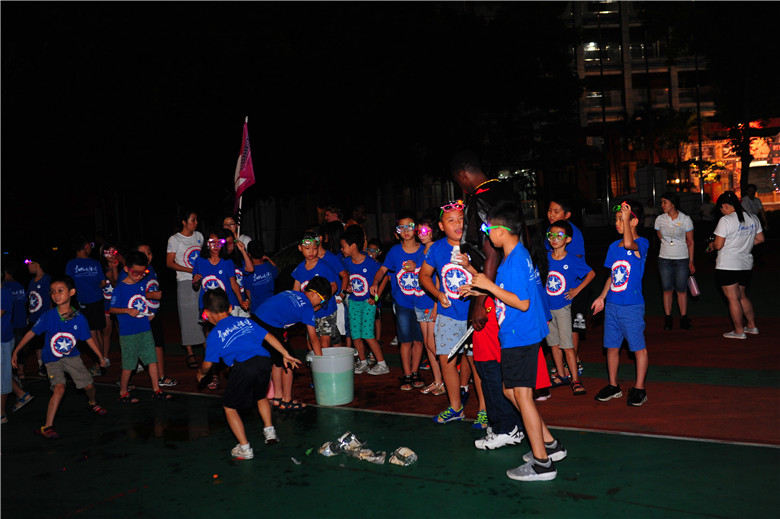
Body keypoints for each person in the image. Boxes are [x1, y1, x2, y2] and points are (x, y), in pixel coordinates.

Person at [459, 201, 565, 481]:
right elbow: (508, 292)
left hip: (520, 335)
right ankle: (550, 445)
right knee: (511, 392)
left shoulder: (515, 261)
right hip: (519, 334)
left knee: (521, 396)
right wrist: (479, 289)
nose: (486, 234)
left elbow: (522, 302)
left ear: (501, 231)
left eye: (487, 229)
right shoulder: (515, 255)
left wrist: (488, 286)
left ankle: (542, 464)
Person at [197, 288, 301, 460]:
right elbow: (268, 336)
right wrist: (285, 353)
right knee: (261, 396)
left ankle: (245, 448)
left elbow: (208, 363)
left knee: (229, 407)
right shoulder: (245, 321)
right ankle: (270, 432)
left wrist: (201, 373)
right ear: (230, 308)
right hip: (263, 361)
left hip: (243, 366)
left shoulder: (214, 335)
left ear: (207, 313)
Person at [11, 276, 108, 438]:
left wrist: (100, 357)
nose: (56, 295)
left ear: (72, 292)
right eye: (53, 292)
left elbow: (89, 339)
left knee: (89, 387)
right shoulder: (47, 316)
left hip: (72, 358)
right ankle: (47, 426)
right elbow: (31, 333)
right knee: (59, 388)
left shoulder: (79, 318)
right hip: (52, 360)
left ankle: (93, 402)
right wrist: (16, 351)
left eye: (60, 291)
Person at [418, 201, 474, 423]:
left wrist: (469, 265)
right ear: (441, 226)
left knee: (477, 363)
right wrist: (437, 294)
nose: (457, 224)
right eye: (451, 220)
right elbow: (424, 276)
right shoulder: (437, 248)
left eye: (461, 219)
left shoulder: (475, 243)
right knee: (446, 359)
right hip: (448, 313)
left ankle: (484, 410)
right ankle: (455, 407)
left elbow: (489, 275)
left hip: (475, 314)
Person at [591, 200, 650, 407]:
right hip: (613, 305)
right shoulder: (612, 247)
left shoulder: (642, 243)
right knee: (612, 347)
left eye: (621, 219)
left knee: (638, 348)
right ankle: (613, 385)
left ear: (634, 221)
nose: (617, 223)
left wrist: (626, 220)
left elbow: (629, 244)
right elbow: (612, 275)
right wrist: (602, 297)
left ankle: (640, 388)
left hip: (631, 306)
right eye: (616, 219)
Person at [252, 277, 332, 410]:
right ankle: (287, 400)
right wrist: (321, 363)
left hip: (256, 319)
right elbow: (313, 338)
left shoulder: (293, 292)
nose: (320, 305)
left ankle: (278, 398)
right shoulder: (307, 308)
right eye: (322, 301)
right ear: (314, 294)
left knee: (278, 361)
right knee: (290, 360)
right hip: (271, 325)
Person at [370, 211, 425, 380]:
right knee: (405, 340)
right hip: (402, 303)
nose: (406, 230)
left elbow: (433, 272)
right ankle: (407, 374)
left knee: (419, 340)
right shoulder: (394, 252)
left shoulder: (425, 250)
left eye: (409, 226)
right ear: (397, 232)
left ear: (416, 229)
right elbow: (382, 270)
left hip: (422, 302)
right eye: (402, 227)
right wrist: (375, 282)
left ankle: (415, 372)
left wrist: (418, 267)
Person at [110, 251, 171, 402]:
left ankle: (156, 389)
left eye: (142, 273)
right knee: (129, 365)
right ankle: (123, 392)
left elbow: (141, 302)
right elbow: (112, 309)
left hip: (144, 329)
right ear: (127, 269)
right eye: (135, 273)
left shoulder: (142, 284)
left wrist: (148, 313)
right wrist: (127, 310)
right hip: (128, 333)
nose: (139, 276)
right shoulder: (120, 288)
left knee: (152, 360)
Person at [544, 220, 594, 395]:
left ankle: (575, 379)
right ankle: (561, 374)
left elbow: (591, 273)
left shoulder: (572, 260)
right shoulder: (545, 257)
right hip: (547, 309)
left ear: (568, 239)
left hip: (563, 308)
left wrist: (577, 290)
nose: (554, 238)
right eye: (551, 235)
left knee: (567, 345)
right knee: (554, 344)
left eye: (559, 235)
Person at [706, 191, 764, 339]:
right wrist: (742, 244)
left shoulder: (726, 220)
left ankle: (739, 331)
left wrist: (712, 245)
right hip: (745, 264)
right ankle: (751, 325)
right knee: (742, 296)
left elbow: (718, 245)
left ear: (725, 205)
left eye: (721, 209)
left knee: (733, 298)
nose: (722, 212)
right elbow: (760, 239)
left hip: (728, 264)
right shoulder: (753, 217)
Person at [545, 198, 586, 379]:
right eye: (550, 210)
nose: (551, 214)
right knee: (556, 332)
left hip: (572, 288)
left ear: (567, 215)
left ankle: (574, 361)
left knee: (572, 327)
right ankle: (562, 365)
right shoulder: (550, 232)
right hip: (556, 289)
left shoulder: (573, 233)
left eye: (556, 211)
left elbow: (577, 261)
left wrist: (575, 289)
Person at [340, 229, 387, 378]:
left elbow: (385, 278)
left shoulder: (371, 263)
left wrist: (376, 297)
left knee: (367, 334)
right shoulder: (347, 261)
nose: (342, 250)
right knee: (355, 334)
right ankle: (363, 361)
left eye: (343, 246)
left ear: (353, 246)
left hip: (368, 302)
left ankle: (382, 364)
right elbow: (349, 277)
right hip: (354, 301)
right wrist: (349, 287)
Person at [292, 231, 342, 353]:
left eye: (314, 248)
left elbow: (334, 286)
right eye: (307, 248)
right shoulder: (300, 268)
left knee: (324, 344)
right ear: (300, 248)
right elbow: (296, 290)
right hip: (310, 312)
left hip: (326, 310)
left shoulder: (323, 266)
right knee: (311, 343)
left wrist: (322, 302)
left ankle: (328, 364)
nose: (311, 251)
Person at [166, 210, 205, 368]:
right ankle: (189, 352)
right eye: (192, 220)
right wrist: (191, 270)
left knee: (203, 313)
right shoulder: (175, 239)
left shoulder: (199, 236)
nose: (196, 223)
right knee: (187, 316)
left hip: (201, 281)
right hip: (185, 280)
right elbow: (169, 263)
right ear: (184, 222)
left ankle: (206, 345)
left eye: (196, 220)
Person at [135, 243, 176, 387]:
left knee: (158, 343)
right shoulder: (135, 272)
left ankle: (161, 376)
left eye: (149, 252)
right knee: (136, 345)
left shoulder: (151, 269)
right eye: (143, 253)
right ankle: (125, 380)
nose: (147, 256)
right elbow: (130, 292)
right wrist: (151, 295)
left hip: (154, 313)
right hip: (141, 314)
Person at [654, 191, 695, 330]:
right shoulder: (659, 219)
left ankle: (683, 318)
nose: (662, 205)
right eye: (662, 202)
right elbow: (660, 236)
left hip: (682, 258)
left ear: (673, 203)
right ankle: (668, 319)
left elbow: (690, 241)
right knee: (667, 289)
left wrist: (691, 261)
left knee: (681, 289)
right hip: (664, 258)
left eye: (664, 202)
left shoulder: (685, 219)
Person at [65, 236, 106, 372]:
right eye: (90, 245)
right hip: (97, 301)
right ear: (85, 247)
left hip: (85, 302)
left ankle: (99, 364)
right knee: (97, 332)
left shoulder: (71, 264)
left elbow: (68, 285)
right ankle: (101, 361)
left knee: (92, 333)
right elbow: (103, 283)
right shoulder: (95, 263)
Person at [414, 216, 444, 396]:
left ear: (434, 231)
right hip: (420, 302)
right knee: (427, 343)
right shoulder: (421, 250)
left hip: (431, 303)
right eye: (418, 230)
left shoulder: (436, 249)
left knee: (433, 344)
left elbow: (439, 279)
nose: (420, 234)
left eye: (424, 230)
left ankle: (448, 378)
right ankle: (438, 380)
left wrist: (436, 305)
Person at [3, 284, 32, 424]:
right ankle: (21, 394)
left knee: (2, 376)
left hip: (3, 339)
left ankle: (1, 414)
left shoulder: (4, 293)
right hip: (6, 337)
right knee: (3, 373)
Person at [24, 254, 52, 377]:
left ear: (37, 265)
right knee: (36, 344)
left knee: (46, 342)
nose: (28, 266)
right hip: (33, 318)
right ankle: (41, 365)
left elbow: (52, 299)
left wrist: (51, 316)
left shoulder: (47, 280)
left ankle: (49, 365)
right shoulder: (32, 281)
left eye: (30, 263)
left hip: (44, 317)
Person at [221, 230, 254, 317]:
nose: (231, 245)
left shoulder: (237, 259)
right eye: (228, 242)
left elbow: (250, 269)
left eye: (232, 242)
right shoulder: (221, 261)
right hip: (230, 302)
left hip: (242, 301)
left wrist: (243, 251)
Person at [365, 238, 389, 344]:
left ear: (379, 253)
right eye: (369, 250)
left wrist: (377, 297)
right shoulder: (364, 263)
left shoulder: (380, 266)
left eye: (375, 251)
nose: (371, 253)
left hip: (376, 295)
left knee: (377, 317)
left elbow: (385, 280)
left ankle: (378, 339)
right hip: (365, 294)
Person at [246, 240, 279, 315]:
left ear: (249, 254)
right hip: (270, 305)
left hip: (257, 309)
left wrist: (252, 302)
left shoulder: (248, 271)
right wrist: (268, 258)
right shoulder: (269, 266)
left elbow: (248, 291)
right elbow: (275, 268)